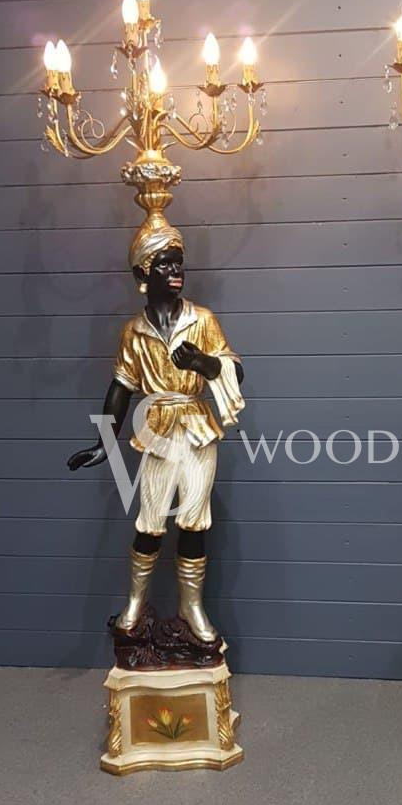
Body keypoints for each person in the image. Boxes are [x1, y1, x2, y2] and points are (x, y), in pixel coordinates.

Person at [68, 219, 244, 644]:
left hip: (198, 429)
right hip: (158, 432)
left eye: (178, 262)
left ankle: (191, 606)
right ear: (142, 273)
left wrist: (202, 363)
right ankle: (135, 602)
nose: (175, 271)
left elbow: (235, 369)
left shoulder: (201, 319)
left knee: (194, 521)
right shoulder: (134, 331)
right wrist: (104, 443)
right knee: (150, 522)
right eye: (165, 264)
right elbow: (121, 387)